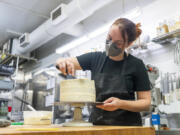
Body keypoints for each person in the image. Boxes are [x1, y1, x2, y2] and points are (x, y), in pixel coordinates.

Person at [56, 18, 151, 126]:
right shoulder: (95, 58)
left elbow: (145, 103)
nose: (110, 45)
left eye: (118, 43)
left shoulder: (136, 65)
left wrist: (121, 104)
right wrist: (61, 61)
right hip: (98, 127)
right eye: (109, 38)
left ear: (128, 44)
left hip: (127, 128)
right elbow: (63, 63)